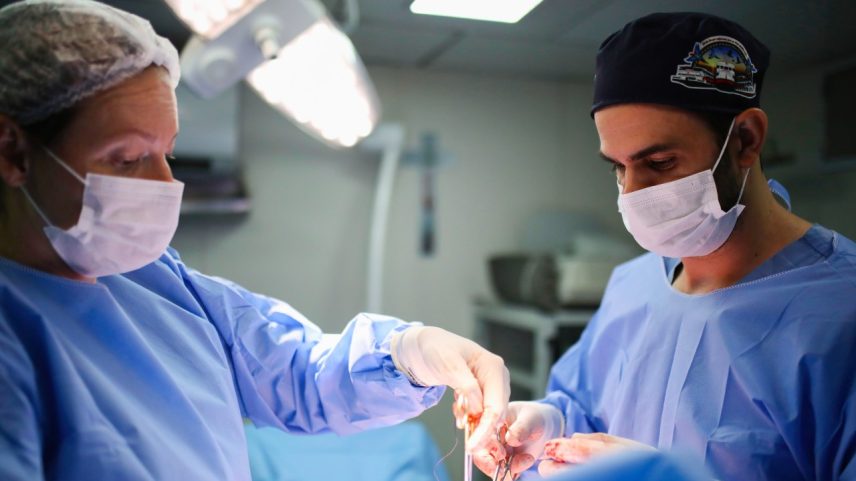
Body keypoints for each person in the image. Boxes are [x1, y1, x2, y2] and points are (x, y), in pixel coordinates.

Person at [0, 1, 509, 480]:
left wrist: (408, 355)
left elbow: (296, 372)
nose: (163, 186)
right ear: (14, 152)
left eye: (168, 155)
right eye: (127, 158)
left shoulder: (156, 284)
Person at [475, 11, 856, 481]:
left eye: (658, 162)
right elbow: (584, 408)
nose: (632, 193)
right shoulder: (632, 287)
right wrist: (549, 424)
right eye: (617, 167)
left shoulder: (841, 314)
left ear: (745, 140)